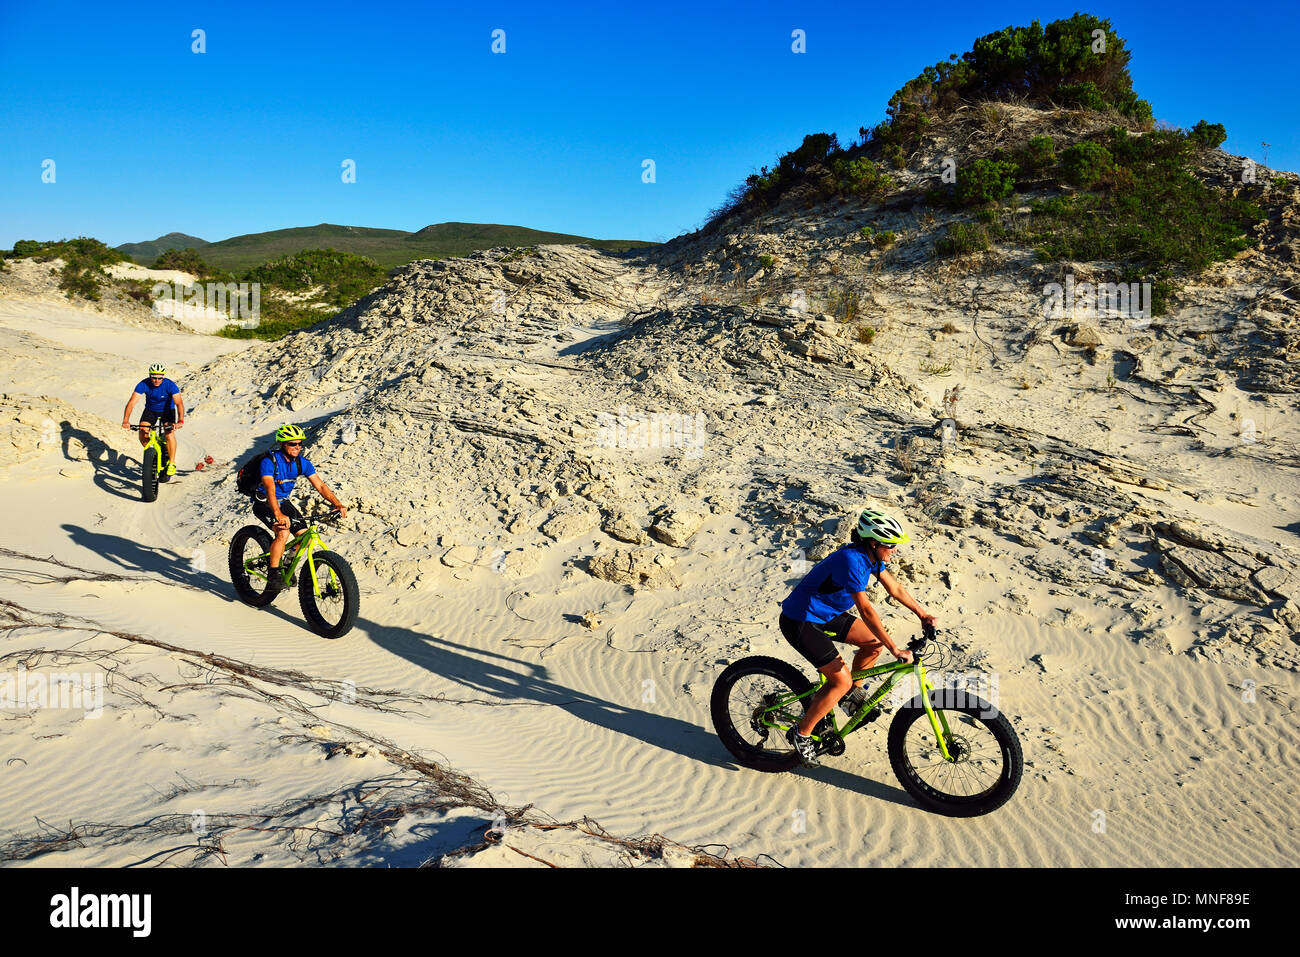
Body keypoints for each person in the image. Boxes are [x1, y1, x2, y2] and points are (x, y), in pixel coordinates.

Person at [780, 507, 936, 766]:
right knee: (839, 681)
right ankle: (802, 733)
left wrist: (922, 614)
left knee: (872, 644)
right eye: (891, 544)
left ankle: (852, 695)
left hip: (827, 614)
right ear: (873, 543)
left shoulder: (873, 558)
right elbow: (866, 610)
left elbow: (894, 587)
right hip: (801, 619)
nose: (895, 549)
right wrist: (895, 649)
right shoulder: (852, 560)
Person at [252, 424, 348, 590]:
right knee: (282, 532)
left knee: (306, 536)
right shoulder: (269, 462)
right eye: (292, 444)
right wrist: (278, 514)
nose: (297, 447)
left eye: (299, 444)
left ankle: (288, 562)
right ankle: (274, 574)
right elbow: (270, 489)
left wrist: (337, 503)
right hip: (264, 502)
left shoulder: (302, 463)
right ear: (283, 444)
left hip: (283, 501)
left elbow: (321, 486)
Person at [121, 363, 184, 475]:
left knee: (169, 434)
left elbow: (179, 403)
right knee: (143, 431)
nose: (156, 380)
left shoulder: (170, 385)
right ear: (150, 376)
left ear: (163, 377)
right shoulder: (143, 384)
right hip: (151, 411)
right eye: (154, 377)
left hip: (167, 411)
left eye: (159, 378)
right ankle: (153, 455)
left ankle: (172, 463)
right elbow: (131, 403)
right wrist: (126, 420)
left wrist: (180, 421)